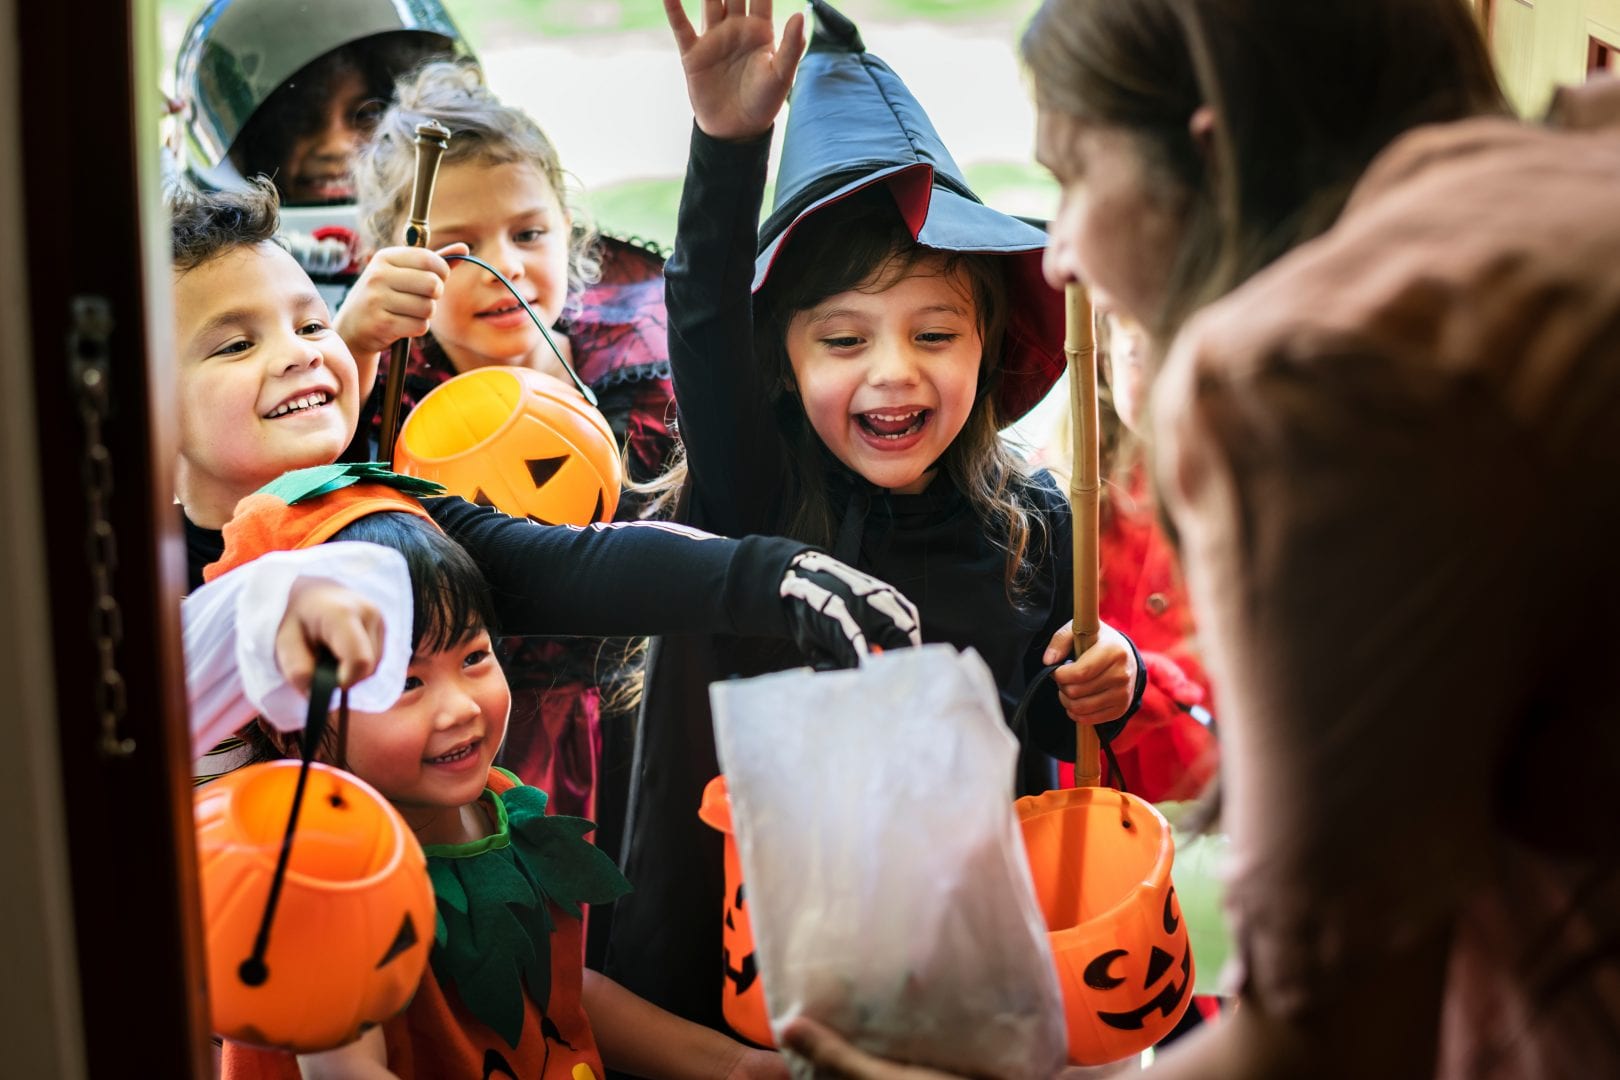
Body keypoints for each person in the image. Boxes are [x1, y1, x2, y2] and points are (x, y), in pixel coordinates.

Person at [788, 1, 1620, 1076]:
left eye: (1078, 177)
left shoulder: (1312, 376)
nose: (1061, 258)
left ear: (1215, 151)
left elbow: (1330, 1034)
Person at [604, 0, 1148, 1033]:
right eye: (843, 341)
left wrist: (1103, 676)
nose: (894, 372)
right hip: (747, 976)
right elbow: (707, 313)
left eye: (934, 331)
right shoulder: (748, 494)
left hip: (954, 963)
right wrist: (728, 149)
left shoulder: (1032, 519)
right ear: (784, 359)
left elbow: (1043, 723)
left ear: (988, 340)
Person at [169, 181, 923, 783]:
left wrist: (775, 576)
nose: (301, 354)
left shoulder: (382, 513)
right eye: (237, 343)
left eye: (311, 325)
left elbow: (571, 561)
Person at [197, 483, 790, 1080]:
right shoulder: (316, 882)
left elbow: (556, 998)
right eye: (405, 684)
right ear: (286, 724)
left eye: (474, 657)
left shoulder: (501, 804)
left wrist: (737, 1065)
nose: (459, 707)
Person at [337, 60, 680, 823]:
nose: (507, 267)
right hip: (480, 734)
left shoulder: (641, 375)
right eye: (461, 249)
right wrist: (353, 347)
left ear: (571, 232)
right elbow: (309, 485)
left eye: (529, 232)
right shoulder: (386, 397)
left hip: (637, 712)